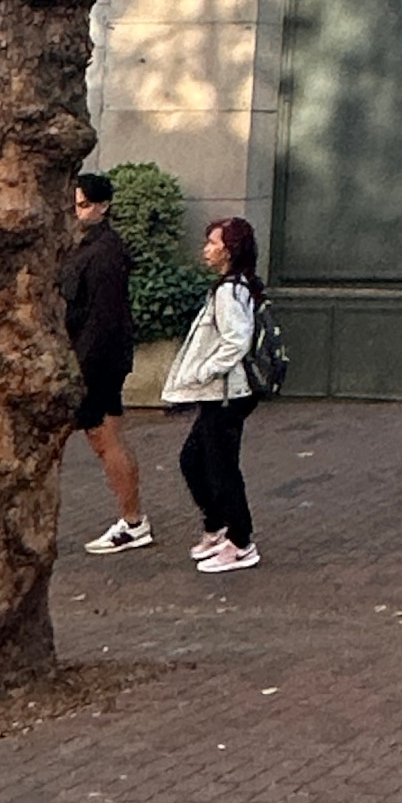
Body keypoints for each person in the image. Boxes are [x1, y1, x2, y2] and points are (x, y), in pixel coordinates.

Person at [161, 216, 264, 574]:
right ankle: (219, 526)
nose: (206, 249)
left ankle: (241, 541)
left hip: (226, 393)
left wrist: (204, 371)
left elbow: (237, 340)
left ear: (230, 250)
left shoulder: (229, 292)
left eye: (213, 243)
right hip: (219, 393)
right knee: (194, 460)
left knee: (220, 468)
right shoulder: (233, 287)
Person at [64, 172, 150, 554]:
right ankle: (133, 521)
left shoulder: (104, 253)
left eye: (83, 205)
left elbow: (102, 319)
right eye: (74, 205)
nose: (76, 212)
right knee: (106, 438)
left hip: (96, 362)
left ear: (103, 206)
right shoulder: (87, 246)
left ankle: (133, 522)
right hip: (96, 358)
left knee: (105, 439)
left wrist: (81, 369)